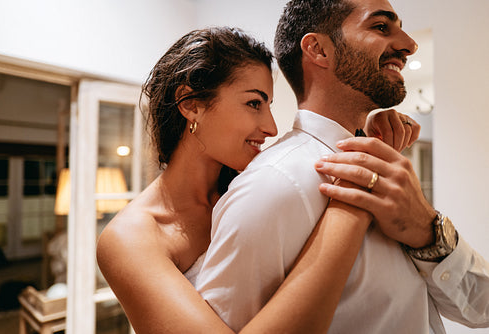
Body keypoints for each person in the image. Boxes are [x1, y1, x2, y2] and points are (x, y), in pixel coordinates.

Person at [96, 26, 418, 333]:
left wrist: (364, 133)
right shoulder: (130, 238)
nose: (271, 127)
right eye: (253, 103)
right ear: (190, 104)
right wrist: (357, 196)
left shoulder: (256, 185)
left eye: (268, 105)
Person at [194, 0, 489, 333]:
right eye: (380, 26)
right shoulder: (271, 185)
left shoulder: (387, 166)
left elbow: (481, 308)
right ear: (319, 49)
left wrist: (428, 230)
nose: (409, 44)